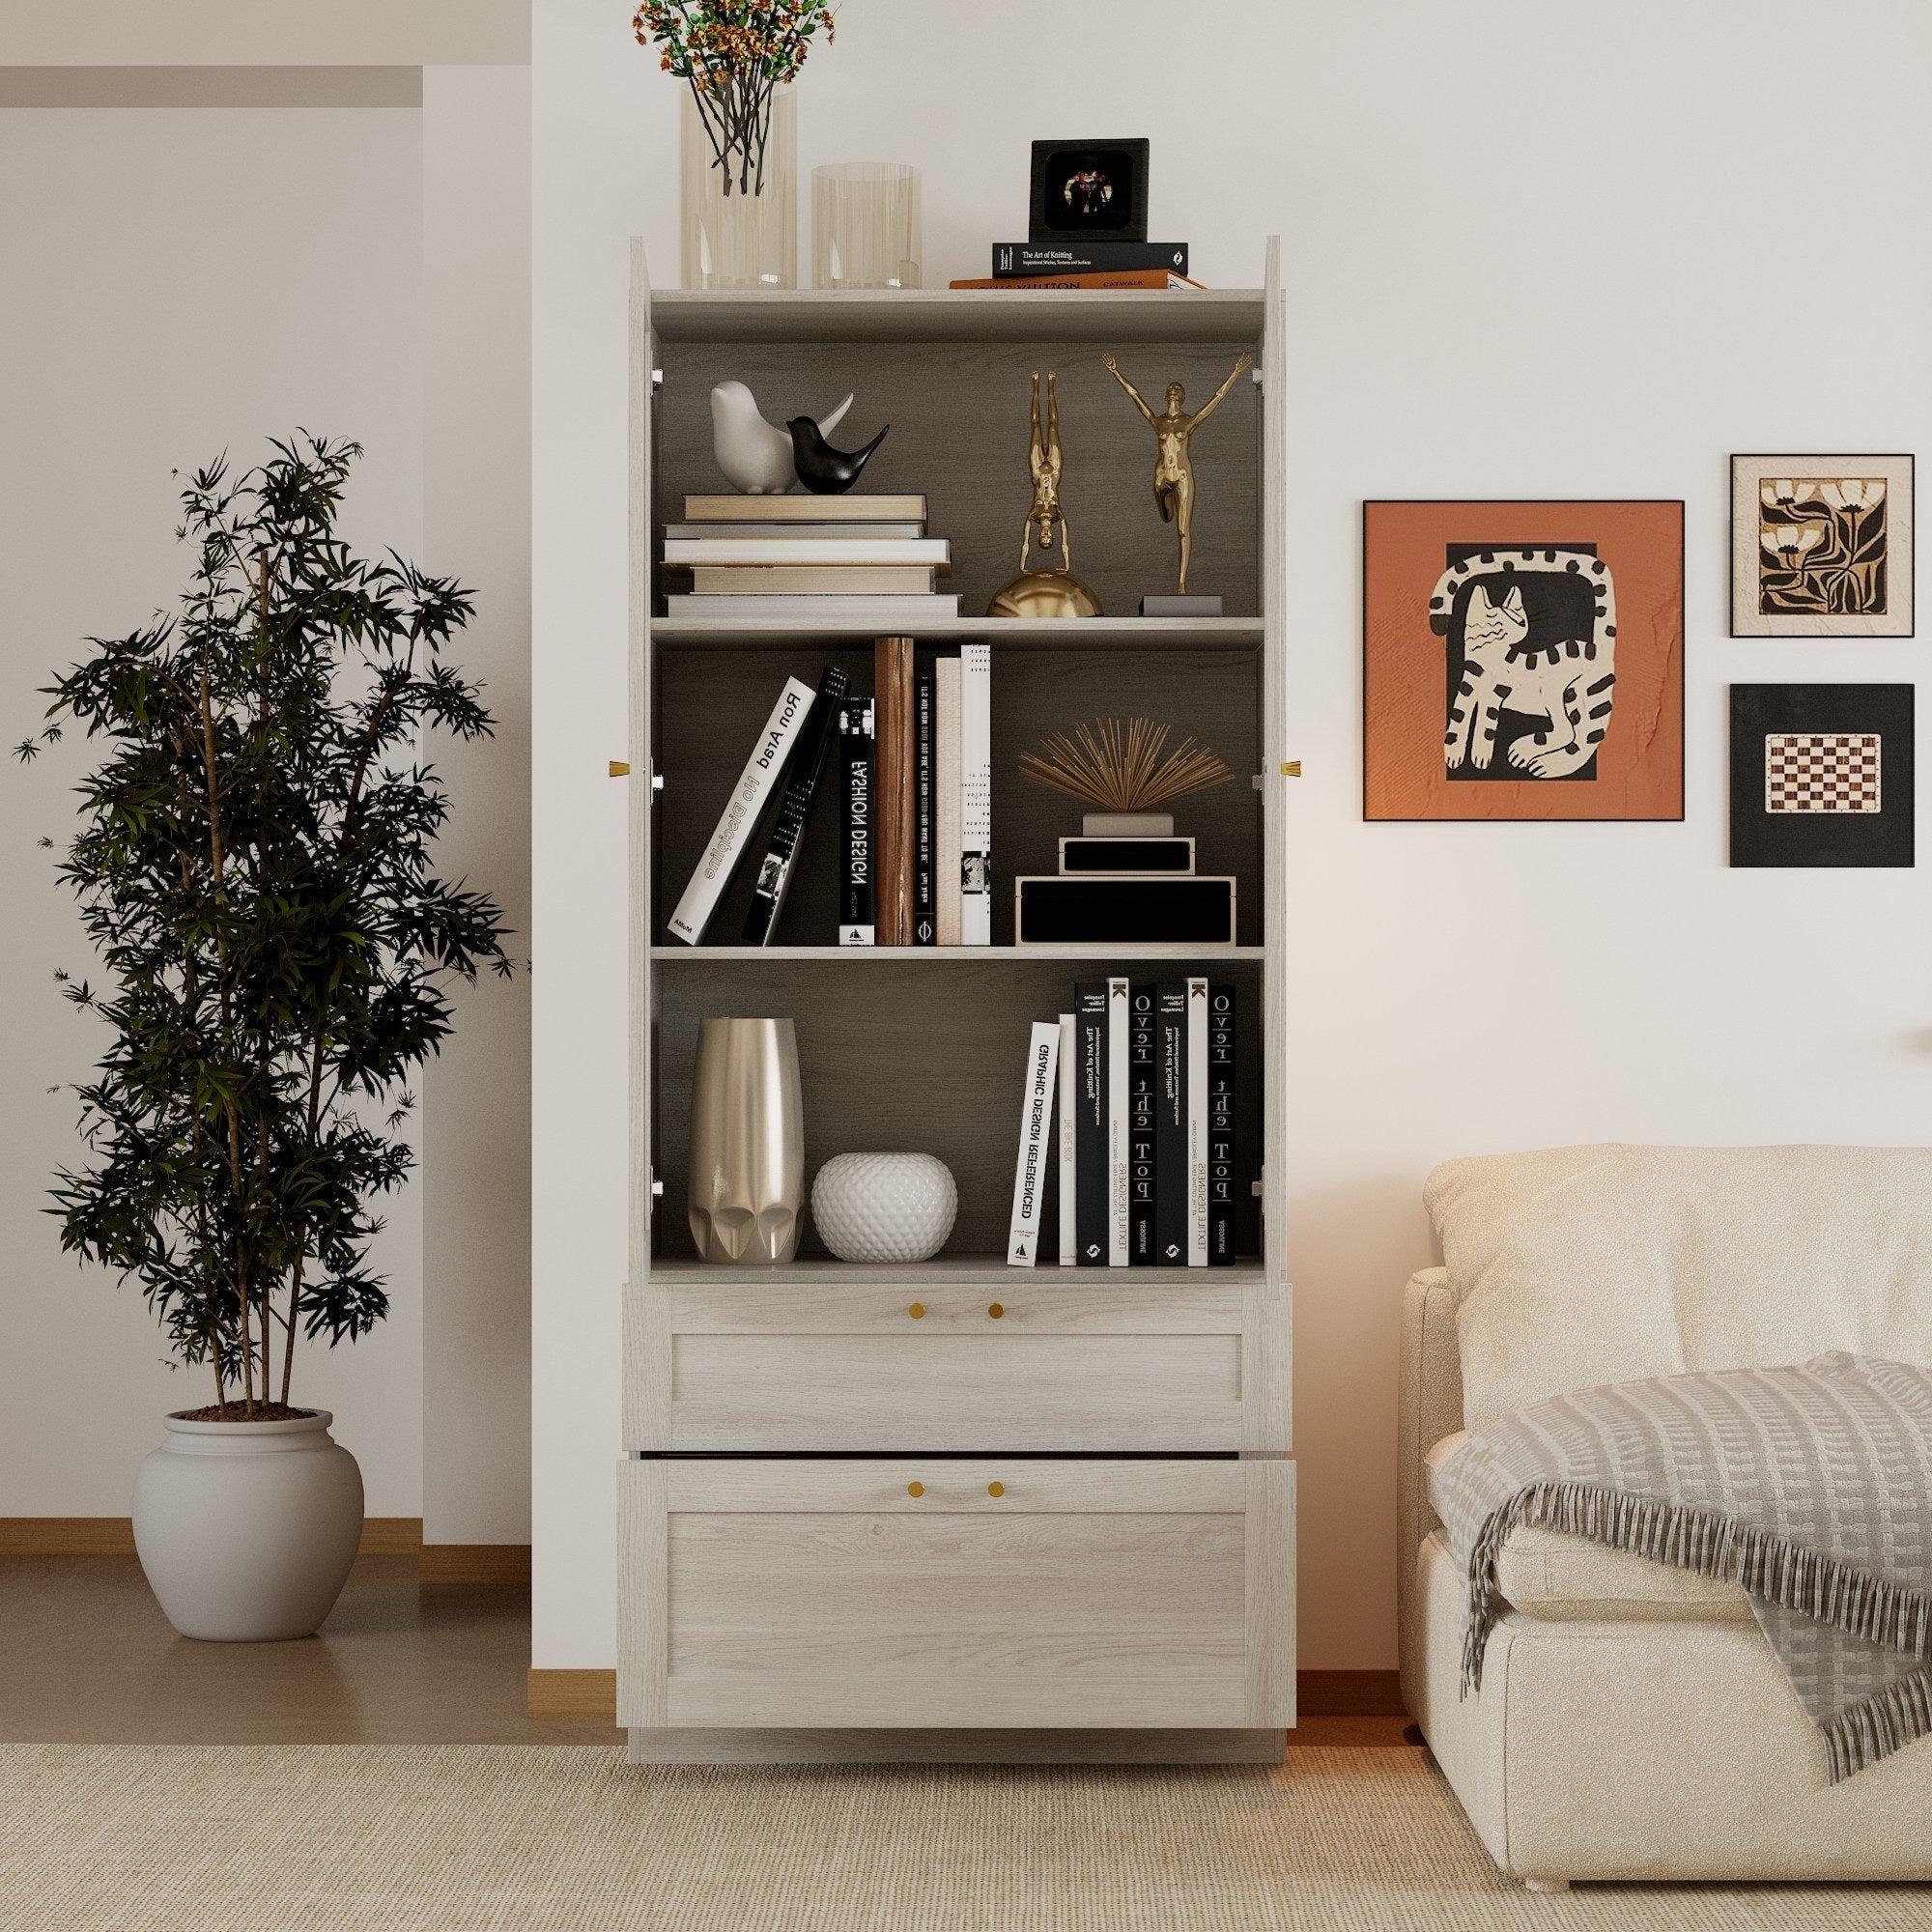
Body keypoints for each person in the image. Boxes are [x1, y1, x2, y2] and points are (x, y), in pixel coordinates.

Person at [1102, 353, 1252, 595]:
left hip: (1182, 475)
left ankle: (1181, 584)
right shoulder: (1158, 421)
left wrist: (1235, 372)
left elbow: (1217, 397)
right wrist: (1115, 371)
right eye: (1170, 388)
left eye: (1177, 388)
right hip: (1162, 476)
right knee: (1165, 516)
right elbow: (1135, 397)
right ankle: (1166, 502)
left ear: (1182, 397)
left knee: (1183, 530)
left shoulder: (1188, 422)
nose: (1173, 389)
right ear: (1165, 396)